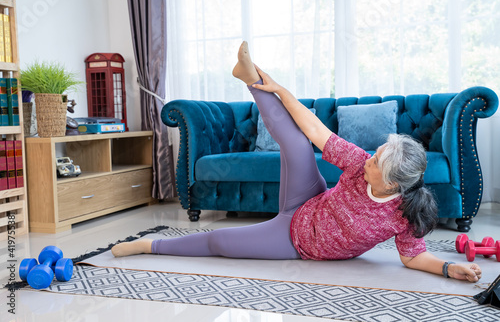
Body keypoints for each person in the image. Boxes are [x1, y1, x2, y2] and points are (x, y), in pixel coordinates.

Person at [112, 41, 482, 283]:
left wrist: (451, 268)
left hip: (293, 241)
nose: (368, 159)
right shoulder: (358, 164)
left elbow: (414, 258)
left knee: (220, 242)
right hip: (306, 201)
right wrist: (278, 88)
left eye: (376, 162)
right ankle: (250, 77)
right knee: (297, 145)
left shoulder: (405, 213)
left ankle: (149, 246)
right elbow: (315, 129)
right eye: (374, 154)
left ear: (391, 184)